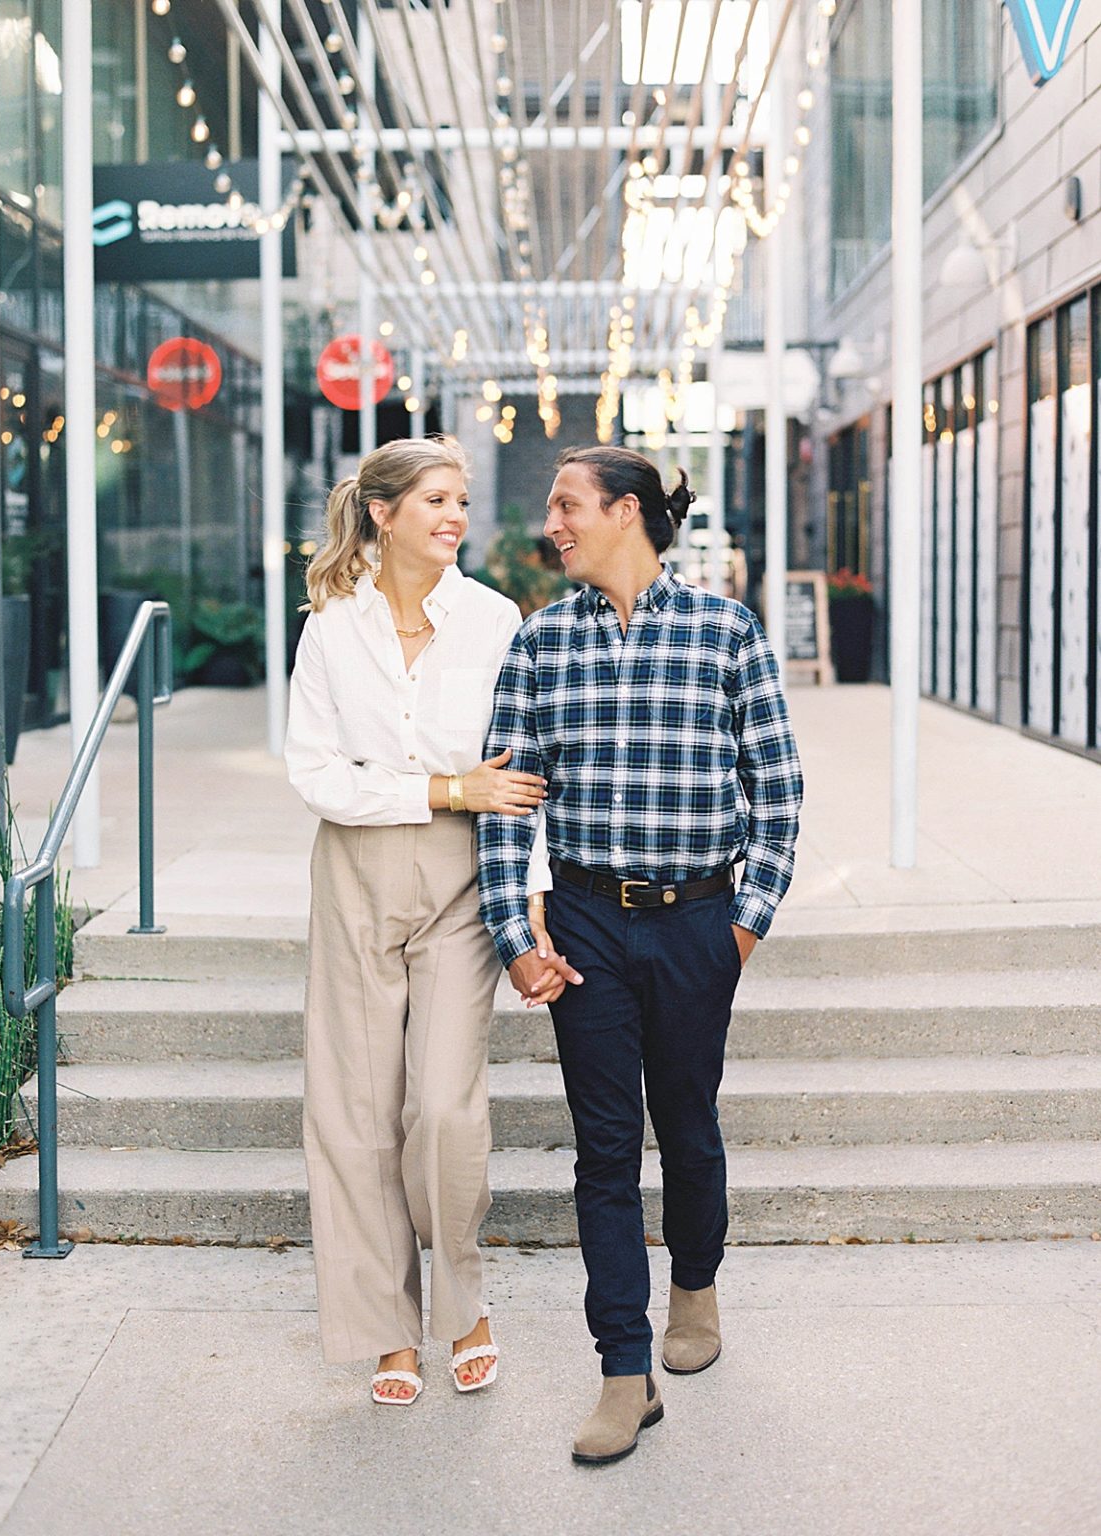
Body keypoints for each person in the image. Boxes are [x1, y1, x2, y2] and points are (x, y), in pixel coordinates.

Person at [477, 445, 803, 1463]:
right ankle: (624, 1369)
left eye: (567, 504)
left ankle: (694, 1284)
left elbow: (777, 791)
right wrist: (511, 935)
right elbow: (502, 804)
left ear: (626, 511)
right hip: (585, 927)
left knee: (687, 1124)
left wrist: (741, 924)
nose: (552, 525)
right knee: (605, 1149)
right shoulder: (538, 646)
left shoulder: (724, 632)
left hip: (698, 921)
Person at [285, 435, 550, 1406]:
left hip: (457, 880)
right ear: (383, 512)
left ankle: (463, 1303)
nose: (454, 516)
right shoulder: (329, 627)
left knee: (440, 1107)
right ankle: (386, 1328)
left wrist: (527, 904)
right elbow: (314, 773)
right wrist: (443, 784)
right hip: (353, 872)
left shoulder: (491, 620)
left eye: (461, 500)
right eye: (435, 499)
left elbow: (517, 779)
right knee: (354, 1115)